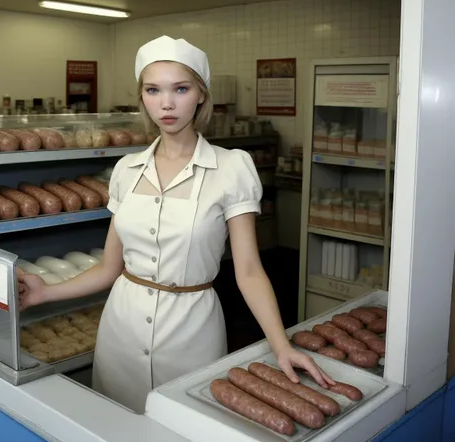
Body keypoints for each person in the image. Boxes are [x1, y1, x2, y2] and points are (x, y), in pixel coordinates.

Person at [18, 35, 334, 414]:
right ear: (142, 97)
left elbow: (249, 271)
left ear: (201, 94)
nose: (166, 104)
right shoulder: (126, 170)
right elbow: (108, 269)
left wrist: (281, 345)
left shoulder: (231, 168)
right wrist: (44, 292)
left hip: (192, 331)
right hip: (121, 330)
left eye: (180, 89)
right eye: (153, 90)